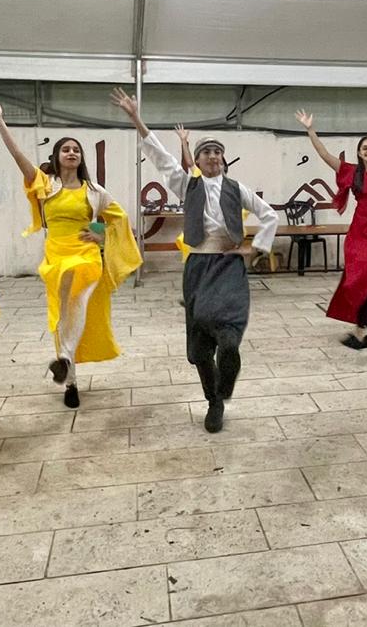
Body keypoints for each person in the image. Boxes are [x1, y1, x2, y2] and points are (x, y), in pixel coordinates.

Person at [111, 88, 278, 433]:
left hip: (229, 265)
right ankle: (214, 402)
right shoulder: (187, 185)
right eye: (206, 152)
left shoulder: (238, 188)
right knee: (201, 345)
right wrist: (136, 118)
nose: (212, 156)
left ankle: (226, 373)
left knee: (228, 332)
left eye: (217, 152)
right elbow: (160, 157)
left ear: (224, 160)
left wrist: (254, 249)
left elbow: (269, 215)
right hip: (199, 266)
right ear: (197, 162)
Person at [0, 91, 140, 407]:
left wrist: (100, 235)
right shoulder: (45, 183)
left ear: (81, 159)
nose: (72, 153)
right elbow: (17, 154)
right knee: (63, 316)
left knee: (76, 302)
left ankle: (65, 359)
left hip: (85, 258)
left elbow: (120, 221)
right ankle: (70, 380)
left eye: (76, 150)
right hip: (55, 255)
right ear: (56, 157)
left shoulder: (95, 191)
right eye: (66, 149)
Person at [297, 110, 367, 350]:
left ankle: (361, 330)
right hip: (358, 233)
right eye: (364, 148)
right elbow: (324, 155)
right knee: (357, 281)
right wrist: (310, 130)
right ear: (359, 153)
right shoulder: (352, 172)